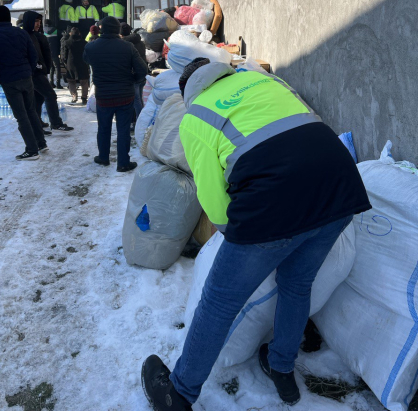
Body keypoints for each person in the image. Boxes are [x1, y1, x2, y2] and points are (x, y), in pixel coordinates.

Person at [142, 58, 372, 411]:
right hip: (341, 190)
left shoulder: (196, 117)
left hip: (273, 204)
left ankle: (179, 393)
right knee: (297, 285)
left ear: (189, 92)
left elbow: (215, 204)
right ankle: (281, 367)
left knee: (219, 303)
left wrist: (242, 238)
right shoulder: (266, 83)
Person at [83, 15, 146, 172]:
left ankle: (103, 157)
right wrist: (132, 80)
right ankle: (123, 162)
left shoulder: (91, 47)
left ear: (102, 29)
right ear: (118, 30)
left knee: (103, 127)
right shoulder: (128, 47)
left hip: (103, 96)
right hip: (125, 95)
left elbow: (86, 60)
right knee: (123, 129)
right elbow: (143, 70)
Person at [0, 6, 47, 159]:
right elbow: (33, 55)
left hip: (8, 78)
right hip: (26, 76)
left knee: (21, 115)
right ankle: (41, 143)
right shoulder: (21, 32)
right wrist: (28, 70)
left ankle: (32, 150)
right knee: (31, 111)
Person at [22, 11, 74, 134]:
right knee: (50, 95)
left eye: (39, 22)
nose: (38, 24)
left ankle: (37, 124)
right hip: (34, 73)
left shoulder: (36, 35)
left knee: (38, 99)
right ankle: (56, 123)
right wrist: (38, 67)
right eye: (35, 21)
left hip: (40, 71)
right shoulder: (25, 36)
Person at [119, 22, 147, 119]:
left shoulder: (124, 44)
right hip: (142, 73)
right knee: (139, 98)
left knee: (135, 100)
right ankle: (139, 119)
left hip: (132, 74)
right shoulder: (140, 42)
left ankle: (139, 121)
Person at [63, 26, 89, 104]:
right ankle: (84, 97)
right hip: (82, 63)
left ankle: (74, 96)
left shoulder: (67, 42)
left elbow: (64, 55)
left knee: (71, 81)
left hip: (71, 63)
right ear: (79, 34)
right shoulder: (84, 43)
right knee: (84, 81)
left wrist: (65, 62)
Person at [44, 19, 63, 89]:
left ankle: (51, 83)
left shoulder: (43, 31)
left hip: (47, 53)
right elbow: (61, 38)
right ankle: (58, 84)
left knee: (51, 67)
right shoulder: (55, 30)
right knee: (57, 67)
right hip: (55, 52)